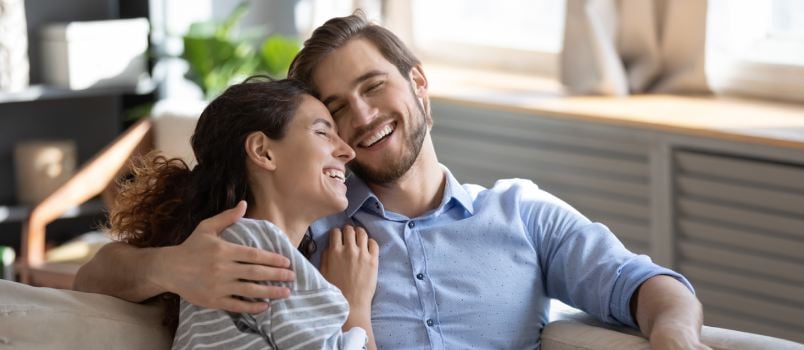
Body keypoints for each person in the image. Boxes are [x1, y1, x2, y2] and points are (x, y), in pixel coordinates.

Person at [76, 13, 709, 349]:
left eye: (373, 86)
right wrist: (172, 268)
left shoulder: (523, 214)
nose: (363, 117)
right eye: (336, 111)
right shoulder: (307, 225)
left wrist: (675, 334)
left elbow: (643, 283)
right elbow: (95, 279)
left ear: (418, 83)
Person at [105, 77, 378, 349]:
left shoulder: (234, 246)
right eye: (322, 132)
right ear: (263, 151)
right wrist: (355, 309)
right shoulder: (254, 247)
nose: (347, 151)